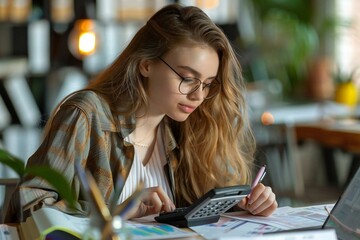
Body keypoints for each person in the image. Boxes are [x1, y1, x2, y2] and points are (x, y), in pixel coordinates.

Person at [6, 3, 277, 223]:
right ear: (146, 64)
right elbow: (28, 207)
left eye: (207, 84)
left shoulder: (190, 128)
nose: (198, 96)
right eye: (186, 78)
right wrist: (116, 213)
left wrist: (242, 206)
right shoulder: (87, 114)